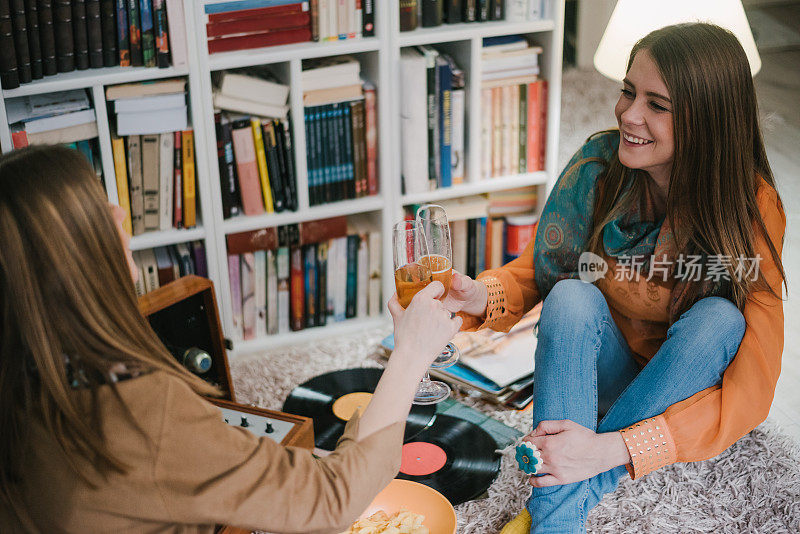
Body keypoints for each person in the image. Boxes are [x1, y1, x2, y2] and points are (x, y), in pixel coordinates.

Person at [0, 145, 462, 533]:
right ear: (72, 262)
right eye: (99, 208)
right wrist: (410, 354)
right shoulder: (138, 412)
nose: (119, 211)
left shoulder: (26, 387)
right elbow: (333, 501)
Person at [444, 23, 786, 533]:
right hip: (598, 378)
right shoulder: (598, 169)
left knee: (720, 318)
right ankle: (563, 509)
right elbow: (539, 271)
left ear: (708, 121)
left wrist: (609, 448)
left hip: (679, 390)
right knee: (572, 296)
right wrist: (477, 296)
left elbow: (753, 385)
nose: (629, 115)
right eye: (629, 92)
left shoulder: (751, 208)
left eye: (657, 104)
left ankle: (559, 508)